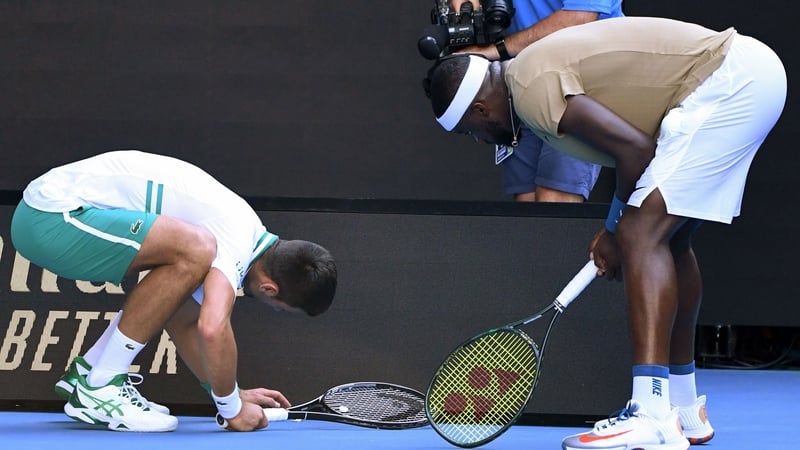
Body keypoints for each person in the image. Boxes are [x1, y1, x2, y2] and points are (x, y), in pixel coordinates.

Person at [422, 16, 786, 449]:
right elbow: (634, 151)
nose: (481, 139)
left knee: (642, 235)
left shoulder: (531, 91)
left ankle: (651, 414)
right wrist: (617, 228)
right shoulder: (528, 78)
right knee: (668, 238)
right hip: (746, 75)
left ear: (481, 109)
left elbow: (635, 150)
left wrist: (617, 232)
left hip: (731, 82)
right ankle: (685, 409)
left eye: (471, 131)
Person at [10, 150, 338, 432]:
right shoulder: (234, 241)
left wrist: (229, 393)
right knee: (197, 247)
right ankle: (101, 385)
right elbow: (212, 328)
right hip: (51, 217)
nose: (275, 309)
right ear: (270, 288)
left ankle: (89, 373)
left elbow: (183, 321)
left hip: (47, 216)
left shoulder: (241, 231)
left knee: (190, 261)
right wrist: (233, 410)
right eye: (280, 308)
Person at [450, 0, 623, 202]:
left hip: (581, 74)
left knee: (555, 197)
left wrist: (499, 49)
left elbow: (580, 17)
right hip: (521, 73)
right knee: (527, 201)